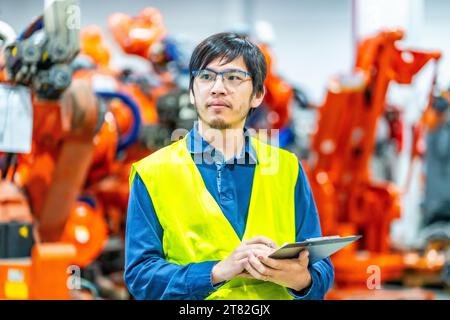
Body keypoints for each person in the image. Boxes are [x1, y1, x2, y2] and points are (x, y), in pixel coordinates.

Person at [124, 32, 334, 300]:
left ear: (257, 95)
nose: (218, 88)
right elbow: (141, 276)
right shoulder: (153, 172)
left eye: (234, 78)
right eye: (206, 77)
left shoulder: (287, 167)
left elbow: (321, 268)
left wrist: (301, 279)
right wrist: (217, 272)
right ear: (192, 91)